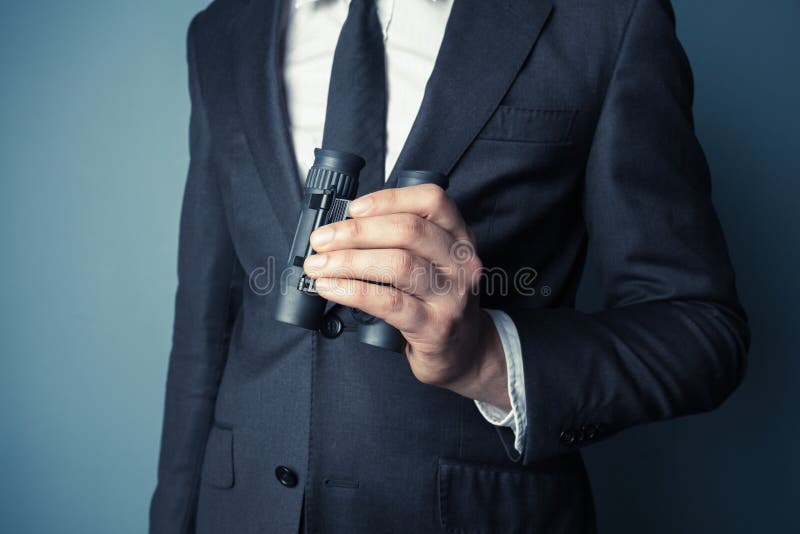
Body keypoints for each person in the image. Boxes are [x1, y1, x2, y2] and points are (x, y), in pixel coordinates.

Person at [150, 0, 749, 532]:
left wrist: (488, 357)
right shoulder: (222, 29)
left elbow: (701, 330)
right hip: (239, 509)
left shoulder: (605, 17)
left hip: (474, 512)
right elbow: (203, 329)